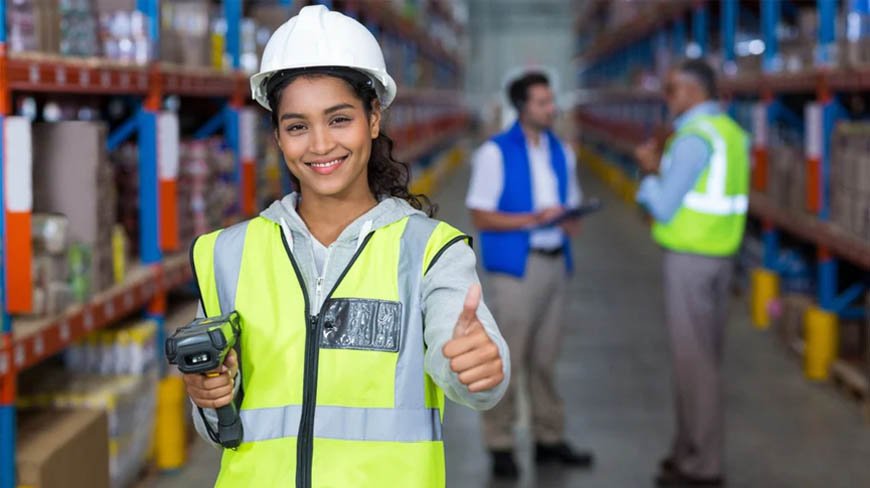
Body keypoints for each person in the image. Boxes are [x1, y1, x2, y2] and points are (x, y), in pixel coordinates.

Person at [181, 6, 510, 487]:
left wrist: (475, 367)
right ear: (276, 135)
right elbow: (220, 430)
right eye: (297, 126)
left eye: (339, 119)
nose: (319, 144)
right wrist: (210, 396)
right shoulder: (227, 254)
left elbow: (465, 366)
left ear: (374, 118)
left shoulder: (428, 252)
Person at [466, 71, 593, 480]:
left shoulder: (561, 151)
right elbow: (481, 214)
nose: (551, 109)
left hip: (556, 263)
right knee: (508, 359)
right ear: (523, 107)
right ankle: (500, 443)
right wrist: (532, 219)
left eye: (551, 101)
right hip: (517, 270)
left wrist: (571, 219)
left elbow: (567, 202)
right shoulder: (495, 153)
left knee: (545, 359)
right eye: (542, 102)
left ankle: (548, 439)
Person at [634, 59, 750, 488]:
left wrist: (649, 171)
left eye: (672, 90)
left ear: (692, 91)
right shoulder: (730, 133)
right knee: (703, 360)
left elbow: (663, 205)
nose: (668, 99)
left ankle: (702, 467)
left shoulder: (692, 138)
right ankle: (686, 450)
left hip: (691, 260)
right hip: (721, 257)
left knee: (694, 366)